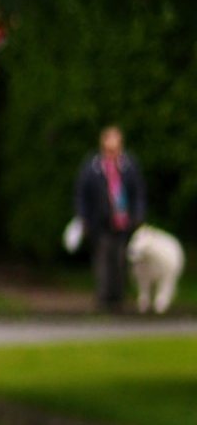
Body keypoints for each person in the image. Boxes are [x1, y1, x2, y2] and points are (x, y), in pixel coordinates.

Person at [74, 125, 147, 313]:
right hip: (100, 222)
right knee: (103, 259)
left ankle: (119, 298)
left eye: (115, 149)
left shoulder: (129, 166)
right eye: (108, 149)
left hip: (124, 222)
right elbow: (82, 194)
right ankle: (104, 298)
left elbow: (138, 192)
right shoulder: (92, 167)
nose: (112, 153)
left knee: (121, 259)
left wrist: (138, 215)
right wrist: (83, 217)